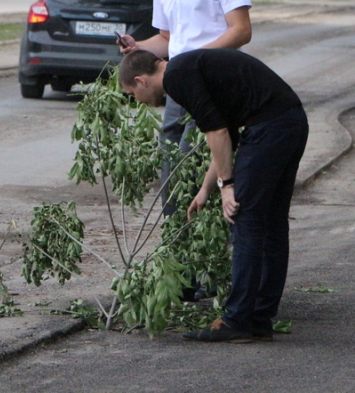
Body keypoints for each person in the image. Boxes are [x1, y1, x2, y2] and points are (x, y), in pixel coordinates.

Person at [119, 48, 309, 343]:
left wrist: (227, 185)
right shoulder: (188, 69)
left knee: (244, 219)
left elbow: (217, 133)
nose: (137, 101)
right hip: (290, 123)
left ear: (141, 80)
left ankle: (238, 320)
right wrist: (206, 189)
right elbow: (226, 134)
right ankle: (258, 318)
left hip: (270, 130)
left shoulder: (178, 77)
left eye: (132, 94)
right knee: (271, 224)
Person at [117, 0, 252, 300]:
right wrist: (137, 45)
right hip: (179, 86)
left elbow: (241, 30)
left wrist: (198, 61)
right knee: (173, 177)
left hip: (213, 83)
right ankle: (183, 276)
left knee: (208, 171)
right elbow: (168, 40)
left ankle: (217, 273)